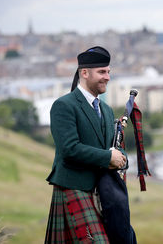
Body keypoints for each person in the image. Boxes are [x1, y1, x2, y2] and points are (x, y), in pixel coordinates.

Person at [45, 46, 127, 243]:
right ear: (84, 73)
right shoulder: (64, 105)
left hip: (103, 193)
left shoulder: (106, 110)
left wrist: (121, 158)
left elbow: (110, 148)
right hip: (74, 187)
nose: (107, 77)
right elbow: (69, 149)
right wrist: (109, 157)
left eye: (108, 72)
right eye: (101, 72)